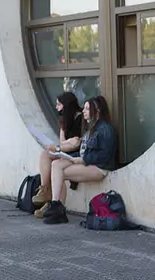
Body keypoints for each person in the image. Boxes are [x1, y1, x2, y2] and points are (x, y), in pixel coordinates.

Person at [42, 95, 117, 225]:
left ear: (97, 111)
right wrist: (70, 156)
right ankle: (56, 205)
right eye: (84, 108)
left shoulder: (105, 129)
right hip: (87, 162)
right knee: (56, 164)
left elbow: (104, 155)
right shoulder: (90, 128)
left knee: (59, 173)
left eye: (87, 109)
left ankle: (57, 208)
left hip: (99, 168)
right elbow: (84, 151)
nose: (83, 111)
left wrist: (83, 160)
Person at [32, 92, 84, 218]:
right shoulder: (64, 119)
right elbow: (63, 141)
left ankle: (55, 204)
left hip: (77, 154)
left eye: (59, 104)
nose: (56, 108)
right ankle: (45, 190)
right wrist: (65, 142)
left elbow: (76, 144)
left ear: (67, 105)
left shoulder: (81, 119)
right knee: (45, 154)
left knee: (56, 166)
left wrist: (60, 147)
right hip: (66, 150)